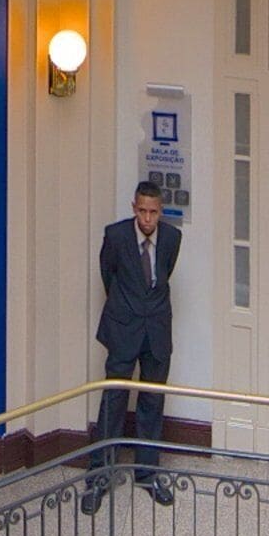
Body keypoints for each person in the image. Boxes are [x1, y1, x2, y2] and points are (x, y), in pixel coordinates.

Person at [87, 178, 181, 510]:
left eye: (153, 212)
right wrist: (126, 307)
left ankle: (147, 473)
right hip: (123, 326)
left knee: (152, 402)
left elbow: (164, 274)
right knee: (113, 400)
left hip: (156, 329)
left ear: (160, 212)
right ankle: (99, 474)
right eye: (141, 211)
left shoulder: (172, 237)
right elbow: (108, 275)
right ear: (133, 208)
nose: (147, 219)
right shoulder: (115, 236)